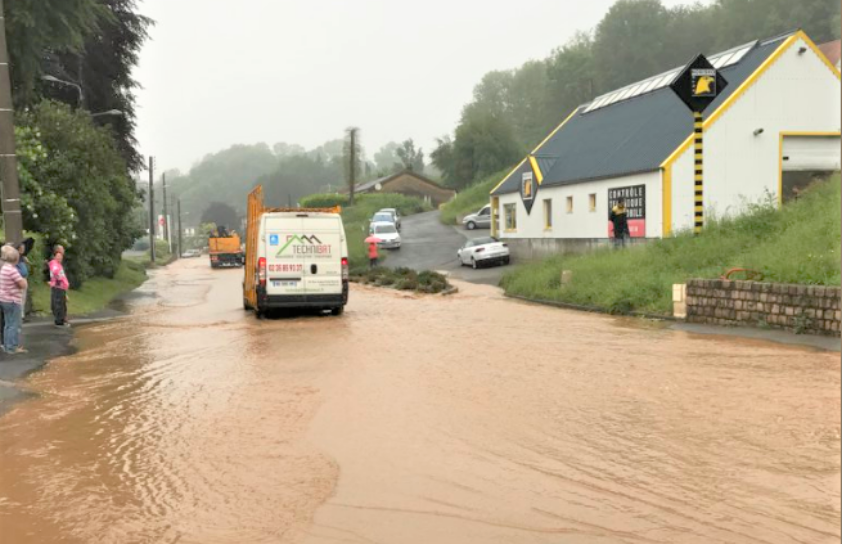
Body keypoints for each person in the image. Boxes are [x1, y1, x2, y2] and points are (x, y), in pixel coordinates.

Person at [0, 245, 28, 354]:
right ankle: (12, 347)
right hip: (12, 301)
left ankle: (7, 346)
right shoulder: (12, 270)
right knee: (14, 324)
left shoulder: (4, 268)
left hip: (3, 299)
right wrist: (24, 281)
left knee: (7, 324)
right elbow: (22, 284)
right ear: (15, 259)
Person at [49, 248, 70, 327]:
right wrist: (60, 279)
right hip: (57, 287)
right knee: (58, 303)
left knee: (62, 303)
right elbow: (55, 272)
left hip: (61, 287)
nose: (60, 258)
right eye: (58, 256)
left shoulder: (59, 264)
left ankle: (62, 319)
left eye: (61, 256)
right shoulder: (54, 264)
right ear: (54, 257)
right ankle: (59, 320)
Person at [15, 241, 32, 321]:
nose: (23, 249)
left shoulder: (22, 257)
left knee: (23, 298)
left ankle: (22, 315)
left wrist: (26, 262)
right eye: (22, 248)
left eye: (24, 248)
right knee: (20, 298)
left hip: (24, 278)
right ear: (18, 249)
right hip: (20, 279)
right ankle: (19, 316)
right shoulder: (16, 257)